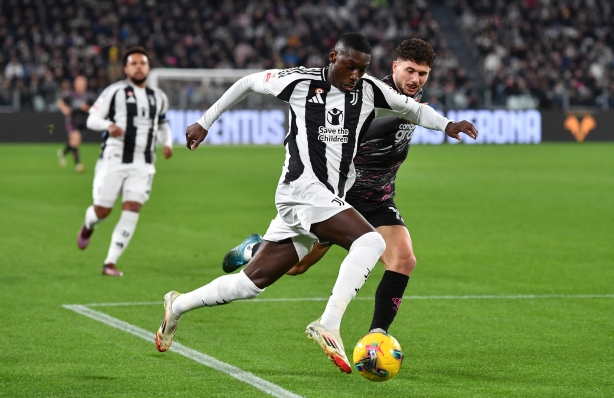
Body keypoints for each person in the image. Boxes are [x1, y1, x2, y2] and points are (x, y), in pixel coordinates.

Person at [155, 33, 477, 374]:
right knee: (370, 242)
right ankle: (328, 324)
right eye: (350, 67)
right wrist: (205, 122)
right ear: (333, 57)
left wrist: (448, 125)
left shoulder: (369, 90)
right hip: (301, 189)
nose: (355, 76)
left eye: (361, 69)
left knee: (248, 285)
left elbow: (413, 110)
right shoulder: (299, 82)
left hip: (326, 198)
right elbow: (248, 82)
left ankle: (177, 305)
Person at [223, 38, 439, 337]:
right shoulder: (366, 92)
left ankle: (377, 336)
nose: (415, 79)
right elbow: (353, 132)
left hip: (378, 198)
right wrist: (403, 115)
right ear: (395, 67)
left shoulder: (414, 99)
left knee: (404, 259)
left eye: (423, 74)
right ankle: (254, 249)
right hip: (337, 197)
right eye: (410, 71)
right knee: (297, 267)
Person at [77, 47, 173, 277]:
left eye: (143, 63)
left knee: (132, 207)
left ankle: (110, 262)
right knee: (102, 211)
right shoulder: (114, 92)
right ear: (126, 68)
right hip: (114, 159)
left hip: (144, 163)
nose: (139, 66)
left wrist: (167, 142)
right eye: (134, 63)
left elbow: (162, 124)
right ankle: (88, 225)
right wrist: (108, 126)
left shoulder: (158, 97)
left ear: (148, 68)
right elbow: (92, 119)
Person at [56, 75, 96, 172]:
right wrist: (64, 109)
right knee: (75, 139)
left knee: (75, 143)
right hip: (72, 120)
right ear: (75, 84)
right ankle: (78, 165)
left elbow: (95, 108)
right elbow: (60, 102)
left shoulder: (90, 95)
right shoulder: (69, 94)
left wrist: (86, 108)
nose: (82, 85)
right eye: (80, 83)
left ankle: (63, 152)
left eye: (83, 83)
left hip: (83, 122)